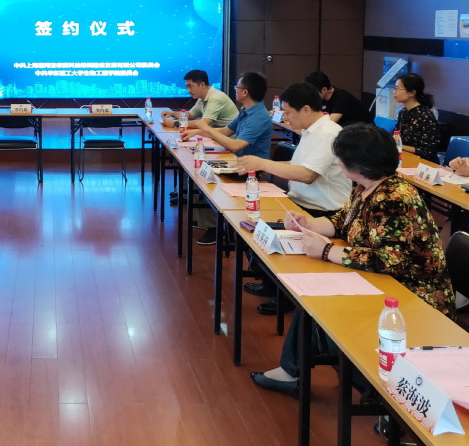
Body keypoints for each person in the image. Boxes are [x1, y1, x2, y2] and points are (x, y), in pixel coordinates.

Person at [251, 123, 455, 397]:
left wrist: (326, 251)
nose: (337, 162)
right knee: (312, 297)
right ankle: (295, 371)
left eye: (341, 157)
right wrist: (308, 224)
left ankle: (370, 388)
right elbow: (342, 221)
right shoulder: (365, 186)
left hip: (412, 293)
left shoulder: (393, 196)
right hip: (383, 280)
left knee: (326, 306)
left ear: (359, 164)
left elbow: (389, 261)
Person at [235, 82, 352, 314]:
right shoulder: (311, 131)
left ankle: (285, 296)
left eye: (288, 112)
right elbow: (298, 165)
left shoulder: (328, 133)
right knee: (253, 226)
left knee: (267, 233)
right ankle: (271, 284)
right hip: (301, 203)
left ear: (306, 109)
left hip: (322, 211)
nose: (285, 117)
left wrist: (262, 163)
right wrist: (261, 164)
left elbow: (308, 175)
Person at [180, 72, 272, 245]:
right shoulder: (245, 111)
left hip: (252, 172)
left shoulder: (259, 116)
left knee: (206, 179)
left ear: (245, 92)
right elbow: (225, 131)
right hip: (238, 164)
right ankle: (208, 222)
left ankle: (217, 228)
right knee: (197, 171)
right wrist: (197, 131)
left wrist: (205, 128)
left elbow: (236, 145)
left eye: (237, 87)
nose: (235, 90)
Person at [160, 69, 238, 130]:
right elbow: (190, 115)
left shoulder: (216, 98)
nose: (189, 90)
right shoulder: (202, 98)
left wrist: (176, 123)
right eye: (187, 87)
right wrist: (172, 114)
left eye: (190, 86)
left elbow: (203, 123)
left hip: (229, 138)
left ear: (202, 84)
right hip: (216, 136)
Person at [393, 73, 440, 164]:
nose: (394, 92)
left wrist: (399, 146)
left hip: (424, 164)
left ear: (412, 93)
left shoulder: (425, 116)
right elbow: (397, 137)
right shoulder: (403, 112)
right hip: (405, 159)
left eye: (397, 88)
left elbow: (428, 152)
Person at [304, 71, 372, 126]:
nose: (310, 96)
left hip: (365, 134)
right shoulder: (322, 98)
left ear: (324, 90)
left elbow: (329, 124)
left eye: (313, 93)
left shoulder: (342, 98)